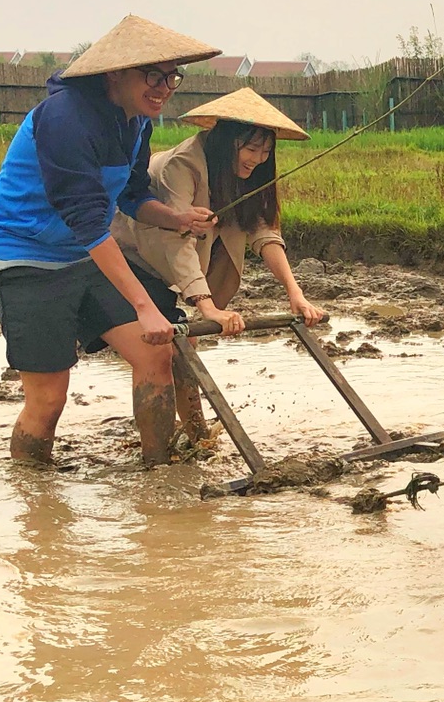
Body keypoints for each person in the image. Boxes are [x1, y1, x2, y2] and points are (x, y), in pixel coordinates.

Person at [0, 15, 222, 467]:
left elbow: (130, 195)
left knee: (157, 355)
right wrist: (145, 306)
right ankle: (35, 498)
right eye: (153, 75)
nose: (164, 87)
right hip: (24, 258)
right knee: (48, 400)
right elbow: (89, 220)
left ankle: (158, 473)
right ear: (116, 72)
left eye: (172, 77)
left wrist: (176, 218)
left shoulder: (136, 123)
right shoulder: (65, 119)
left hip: (82, 255)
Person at [111, 88, 327, 440]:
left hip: (170, 261)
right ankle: (160, 455)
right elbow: (175, 239)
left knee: (183, 348)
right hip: (132, 257)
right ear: (227, 141)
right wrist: (207, 307)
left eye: (266, 152)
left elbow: (263, 231)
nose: (257, 159)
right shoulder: (182, 165)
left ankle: (197, 436)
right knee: (163, 352)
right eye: (251, 148)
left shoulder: (248, 175)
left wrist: (296, 293)